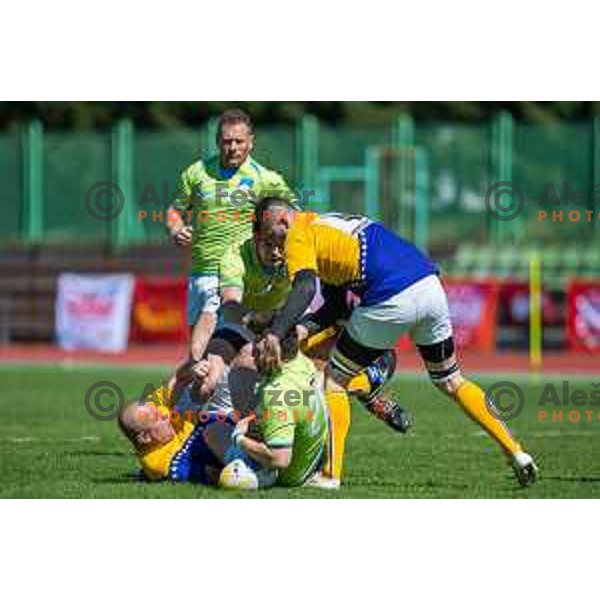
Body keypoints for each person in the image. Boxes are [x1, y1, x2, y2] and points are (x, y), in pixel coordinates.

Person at [253, 198, 539, 489]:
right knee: (452, 380)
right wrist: (298, 330)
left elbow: (304, 288)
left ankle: (329, 475)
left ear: (284, 221)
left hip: (390, 295)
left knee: (334, 381)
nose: (276, 248)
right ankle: (517, 453)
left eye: (272, 236)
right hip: (429, 286)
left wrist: (275, 333)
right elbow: (335, 309)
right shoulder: (324, 228)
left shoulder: (298, 234)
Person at [218, 224, 412, 434]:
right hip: (278, 325)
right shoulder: (238, 256)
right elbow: (231, 305)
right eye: (268, 244)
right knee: (254, 364)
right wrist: (255, 322)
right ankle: (256, 427)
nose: (276, 251)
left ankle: (365, 393)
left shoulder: (323, 256)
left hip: (322, 328)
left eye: (280, 245)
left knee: (322, 379)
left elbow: (335, 311)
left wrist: (301, 329)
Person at [166, 108, 292, 364]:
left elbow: (293, 217)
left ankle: (191, 398)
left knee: (208, 357)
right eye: (227, 141)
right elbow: (174, 211)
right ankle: (197, 401)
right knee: (200, 361)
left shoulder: (265, 178)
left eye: (239, 141)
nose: (233, 147)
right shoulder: (197, 173)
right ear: (217, 141)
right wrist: (177, 230)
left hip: (232, 275)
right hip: (198, 274)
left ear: (251, 142)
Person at [219, 331, 329, 490]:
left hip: (289, 474)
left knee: (214, 430)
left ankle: (255, 472)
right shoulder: (300, 362)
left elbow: (280, 460)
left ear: (272, 351)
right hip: (311, 457)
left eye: (258, 347)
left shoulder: (277, 395)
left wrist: (239, 438)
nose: (253, 352)